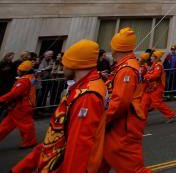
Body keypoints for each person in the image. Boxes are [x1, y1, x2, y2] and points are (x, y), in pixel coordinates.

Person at [14, 40, 107, 173]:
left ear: (75, 64)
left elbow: (78, 146)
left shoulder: (87, 95)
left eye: (65, 62)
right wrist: (21, 168)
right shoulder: (80, 89)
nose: (62, 66)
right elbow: (55, 137)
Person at [101, 27, 148, 173]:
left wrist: (101, 120)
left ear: (117, 48)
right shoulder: (125, 66)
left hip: (124, 125)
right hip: (121, 123)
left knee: (132, 168)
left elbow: (120, 102)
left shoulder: (126, 69)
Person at [0, 60, 37, 149]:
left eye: (18, 69)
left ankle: (30, 142)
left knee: (25, 126)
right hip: (24, 105)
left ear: (22, 70)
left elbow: (14, 93)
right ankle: (30, 141)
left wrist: (1, 99)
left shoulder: (24, 81)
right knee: (6, 125)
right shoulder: (31, 78)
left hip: (21, 107)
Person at [143, 50, 176, 122]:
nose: (151, 57)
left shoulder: (158, 65)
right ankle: (142, 120)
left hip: (157, 88)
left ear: (156, 58)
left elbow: (155, 76)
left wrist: (146, 76)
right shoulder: (154, 65)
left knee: (157, 103)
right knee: (144, 103)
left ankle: (171, 114)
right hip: (151, 88)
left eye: (152, 56)